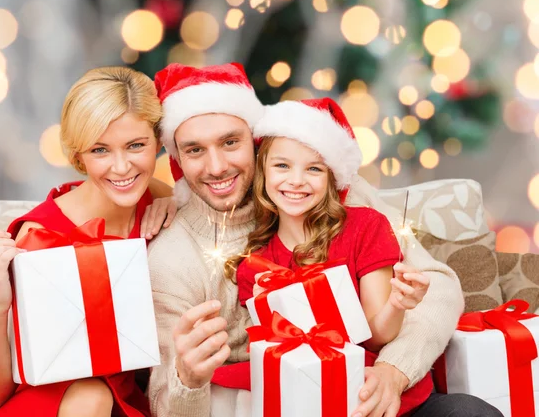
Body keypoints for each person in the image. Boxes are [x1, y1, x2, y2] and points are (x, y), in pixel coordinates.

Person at [147, 63, 495, 417]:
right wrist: (187, 379)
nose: (217, 166)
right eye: (194, 150)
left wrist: (395, 371)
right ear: (177, 157)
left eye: (231, 142)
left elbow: (439, 287)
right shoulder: (172, 257)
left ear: (256, 142)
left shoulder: (332, 194)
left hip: (385, 393)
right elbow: (163, 400)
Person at [0, 66, 175, 417]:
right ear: (78, 156)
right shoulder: (40, 237)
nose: (121, 167)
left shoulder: (156, 196)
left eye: (136, 145)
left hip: (121, 399)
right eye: (100, 150)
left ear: (158, 143)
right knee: (91, 395)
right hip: (37, 404)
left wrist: (176, 204)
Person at [230, 98, 431, 415]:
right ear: (262, 173)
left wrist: (397, 304)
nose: (296, 180)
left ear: (331, 178)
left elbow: (376, 337)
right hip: (315, 400)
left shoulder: (365, 227)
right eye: (282, 166)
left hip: (378, 392)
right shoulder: (254, 266)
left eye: (313, 168)